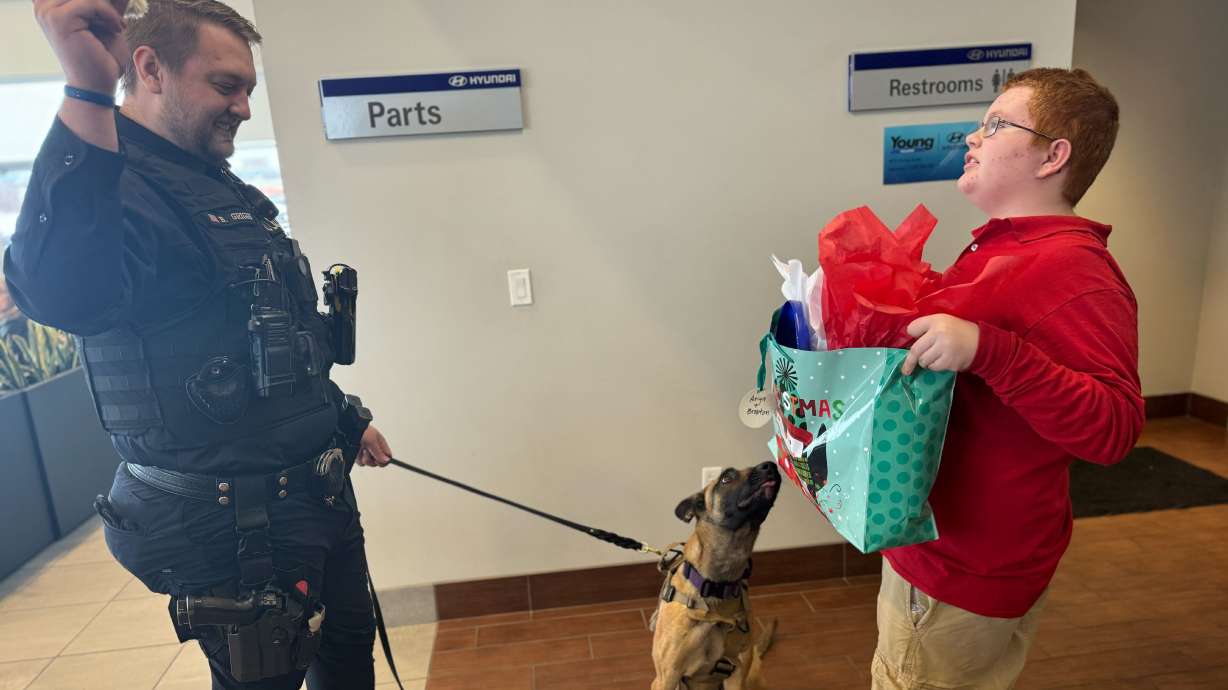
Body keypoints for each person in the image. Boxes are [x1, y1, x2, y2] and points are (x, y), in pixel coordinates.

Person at [4, 1, 396, 688]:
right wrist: (86, 89)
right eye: (225, 85)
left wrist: (342, 416)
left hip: (311, 492)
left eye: (248, 88)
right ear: (149, 68)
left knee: (348, 649)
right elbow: (65, 295)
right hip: (232, 518)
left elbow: (268, 332)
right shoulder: (118, 186)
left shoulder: (218, 186)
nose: (244, 107)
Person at [875, 68, 1144, 688]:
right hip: (939, 544)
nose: (973, 137)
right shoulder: (1004, 249)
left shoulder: (1073, 269)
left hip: (966, 563)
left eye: (996, 125)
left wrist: (987, 349)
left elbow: (1114, 428)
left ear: (1054, 156)